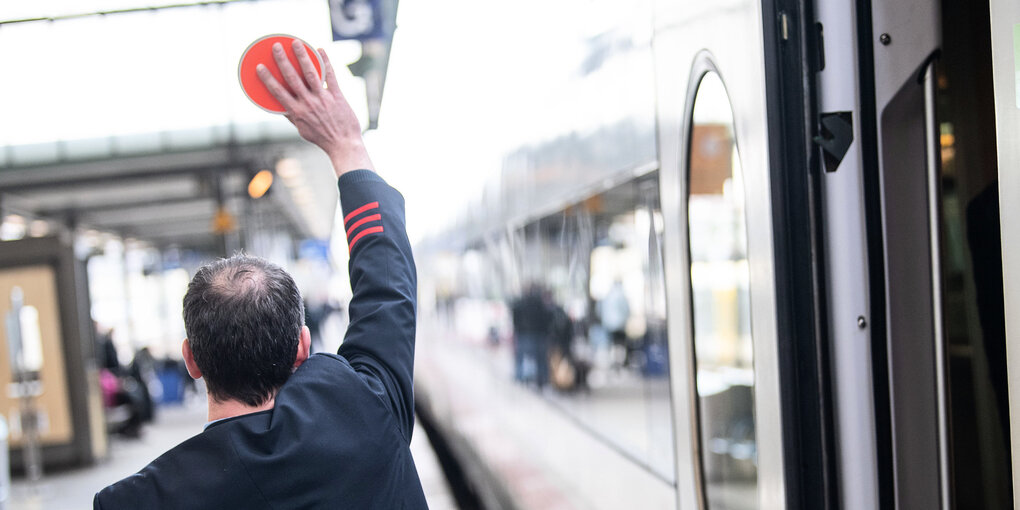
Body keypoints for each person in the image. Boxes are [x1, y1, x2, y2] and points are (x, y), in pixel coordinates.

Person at [94, 40, 426, 509]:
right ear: (302, 349)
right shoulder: (364, 411)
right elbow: (388, 285)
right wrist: (346, 145)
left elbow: (388, 284)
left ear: (192, 361)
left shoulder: (138, 501)